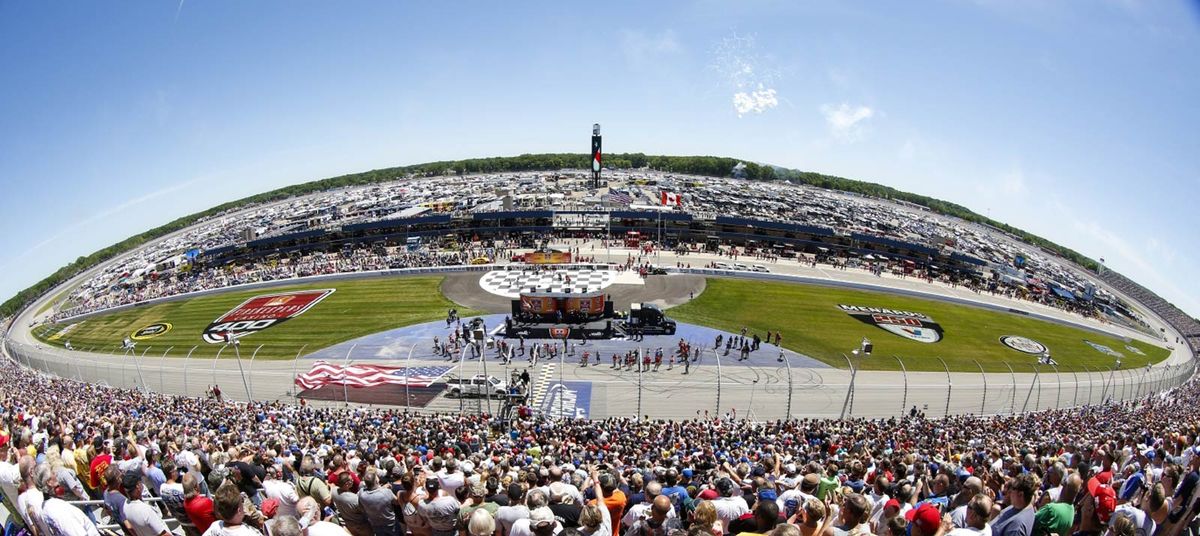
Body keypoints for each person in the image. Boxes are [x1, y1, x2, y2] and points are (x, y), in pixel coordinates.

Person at [122, 470, 172, 536]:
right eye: (140, 482)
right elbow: (163, 534)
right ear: (138, 486)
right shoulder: (145, 509)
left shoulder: (125, 506)